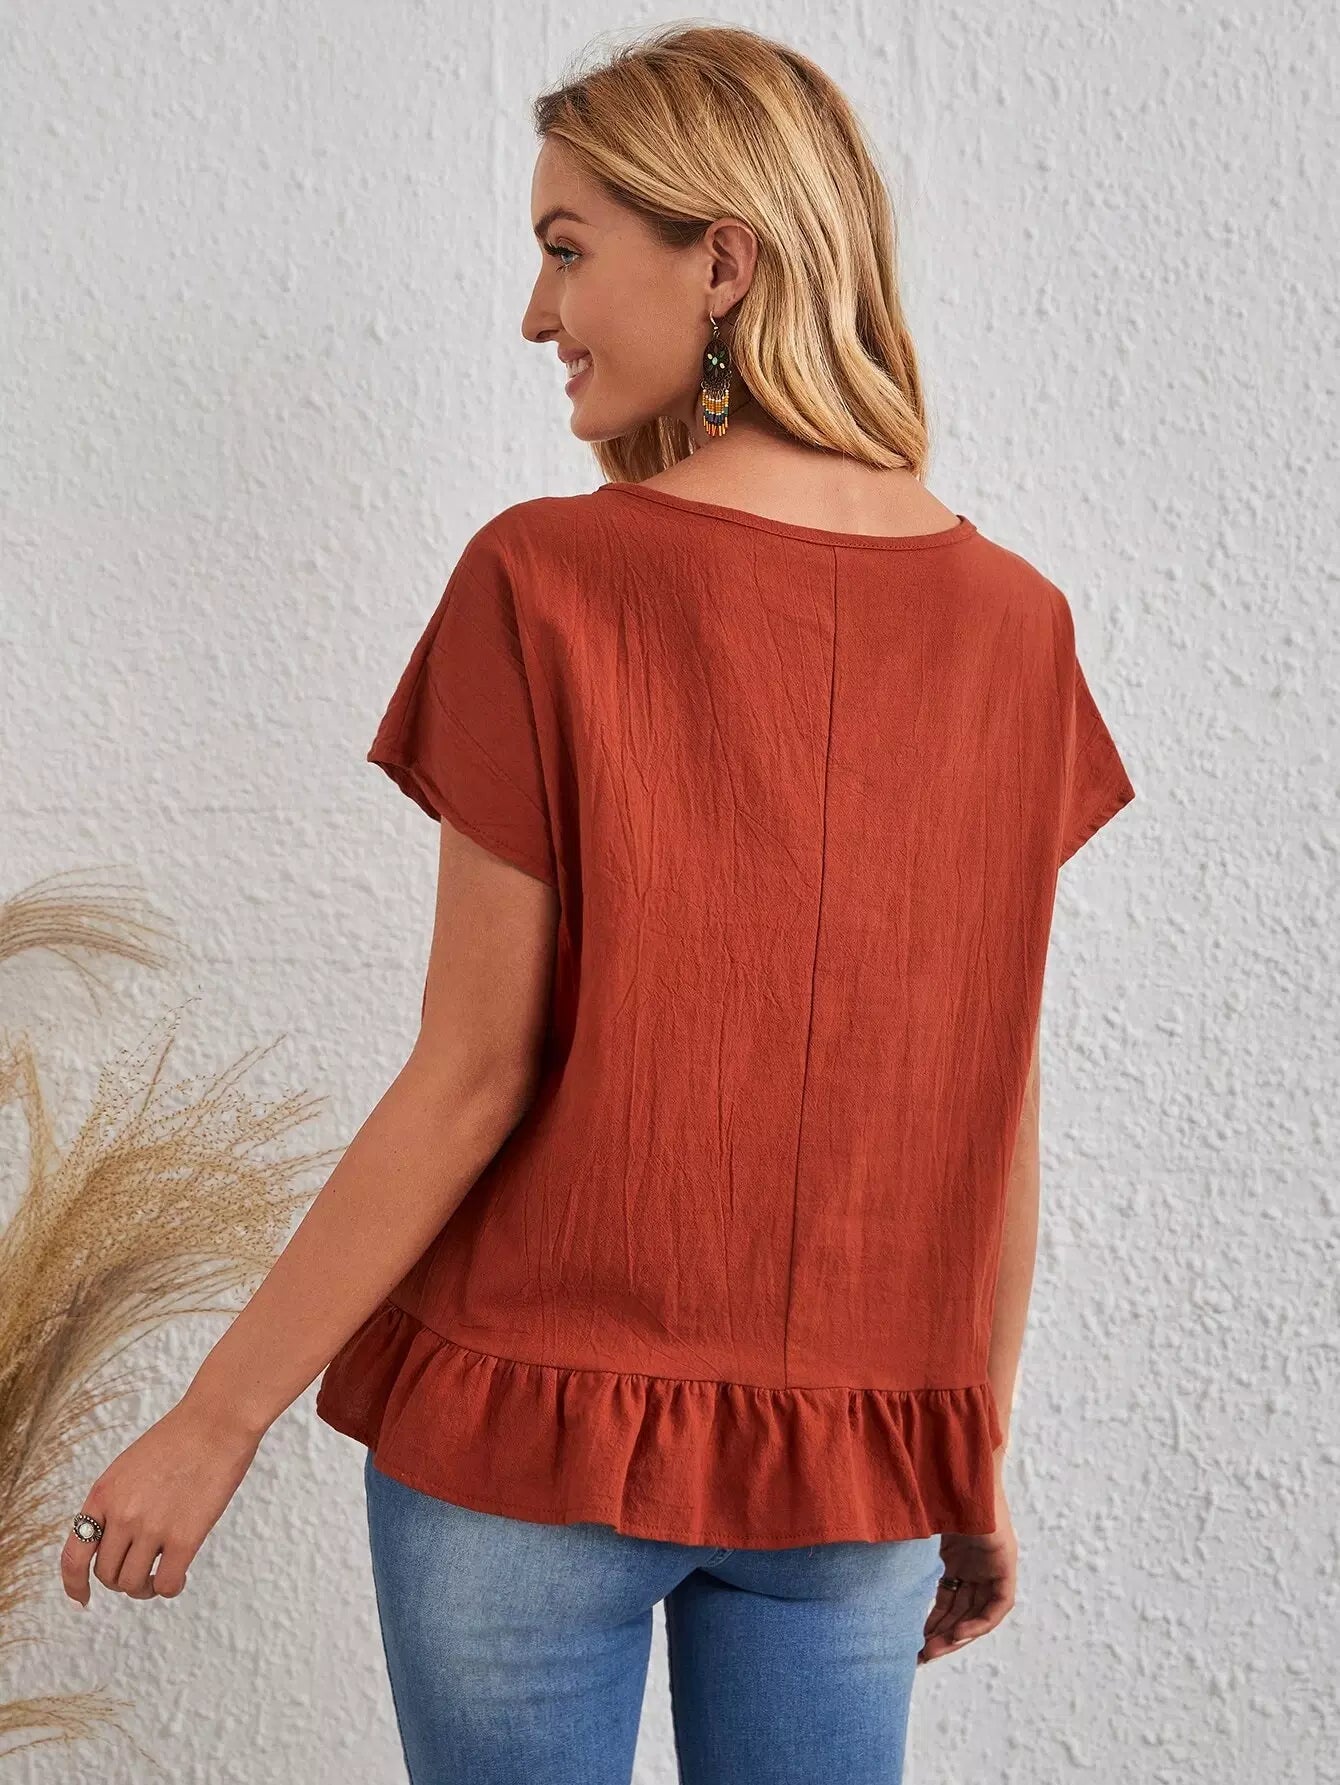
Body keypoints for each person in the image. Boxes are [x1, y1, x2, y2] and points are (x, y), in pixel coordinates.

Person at [59, 22, 1136, 1785]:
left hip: (528, 1443)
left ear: (725, 261)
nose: (536, 313)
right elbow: (987, 1096)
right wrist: (970, 1449)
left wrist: (214, 1419)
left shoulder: (549, 578)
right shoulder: (1015, 625)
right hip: (853, 1480)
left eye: (567, 250)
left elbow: (471, 1073)